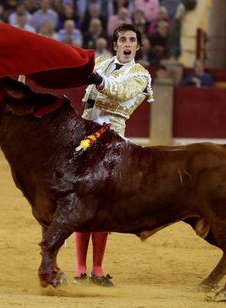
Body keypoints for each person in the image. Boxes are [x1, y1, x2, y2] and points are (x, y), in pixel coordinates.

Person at [74, 23, 153, 287]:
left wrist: (97, 80)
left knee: (102, 205)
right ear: (115, 44)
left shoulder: (141, 75)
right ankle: (80, 268)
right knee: (80, 202)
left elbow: (121, 93)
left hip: (112, 138)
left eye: (132, 40)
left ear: (138, 46)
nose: (128, 43)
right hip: (85, 135)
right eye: (123, 39)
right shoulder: (101, 64)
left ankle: (97, 269)